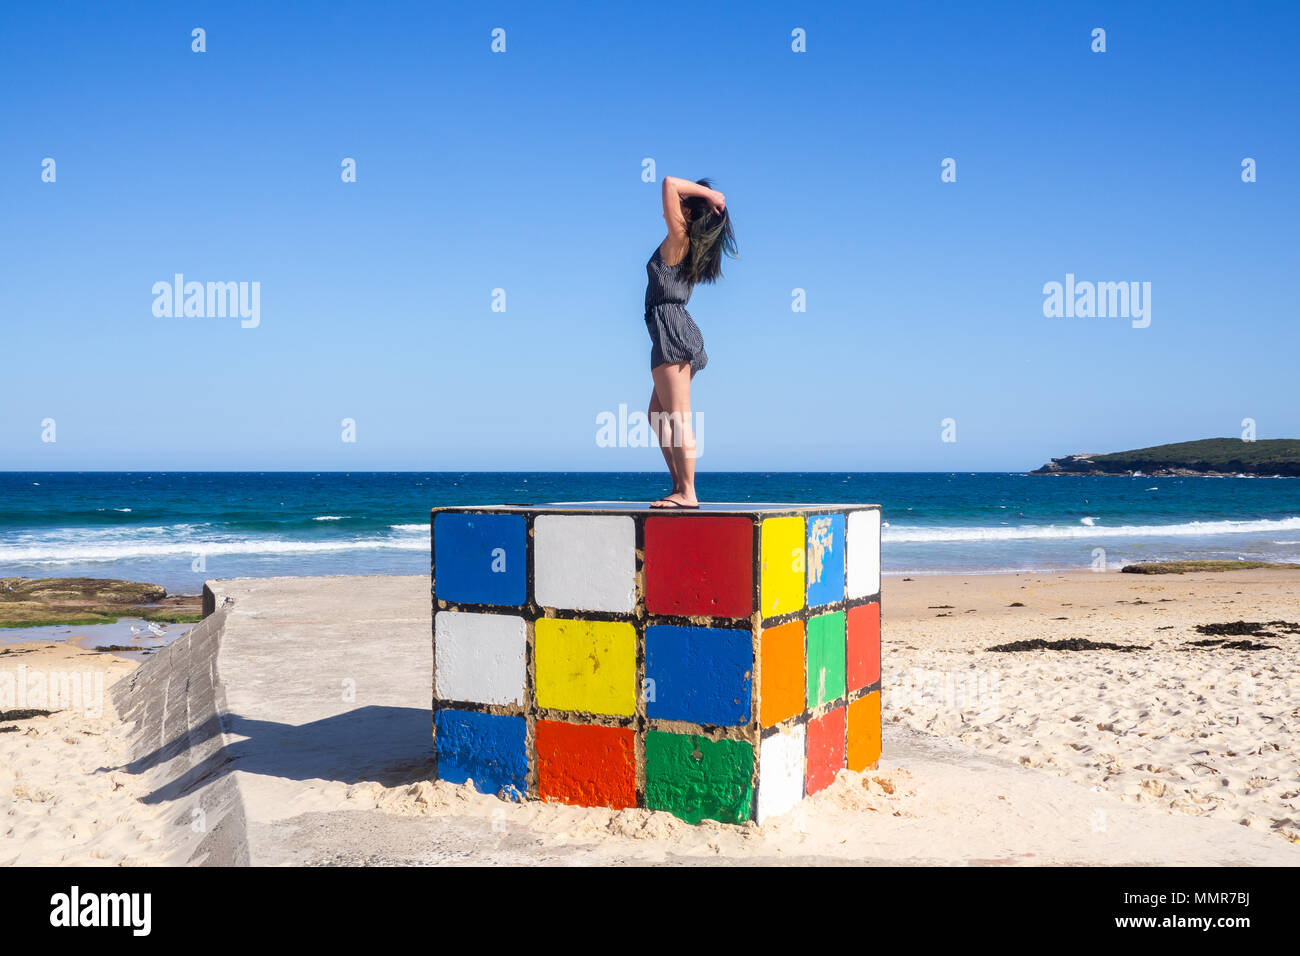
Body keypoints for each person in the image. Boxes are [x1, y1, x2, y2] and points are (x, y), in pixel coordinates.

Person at [644, 176, 737, 508]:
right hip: (674, 329)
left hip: (672, 331)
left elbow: (669, 182)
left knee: (678, 416)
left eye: (683, 202)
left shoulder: (680, 236)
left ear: (688, 209)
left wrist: (709, 194)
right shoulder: (687, 242)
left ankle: (687, 492)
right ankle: (679, 486)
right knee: (658, 414)